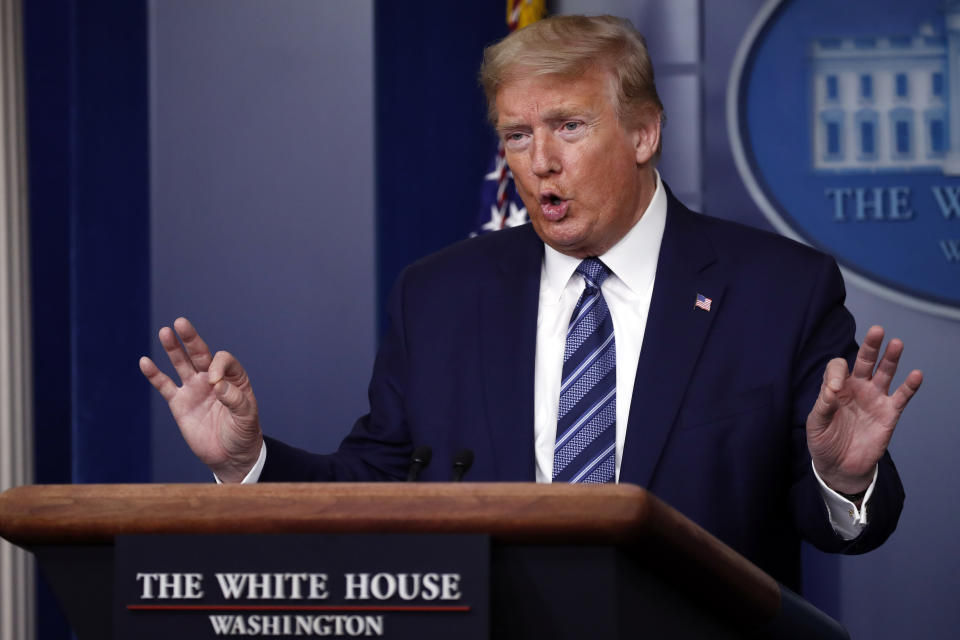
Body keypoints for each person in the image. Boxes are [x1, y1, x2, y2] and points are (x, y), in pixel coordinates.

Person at [140, 15, 922, 590]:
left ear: (644, 132)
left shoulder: (778, 289)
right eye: (516, 136)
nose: (540, 162)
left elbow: (835, 530)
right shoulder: (441, 296)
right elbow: (371, 489)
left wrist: (842, 479)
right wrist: (249, 463)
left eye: (568, 127)